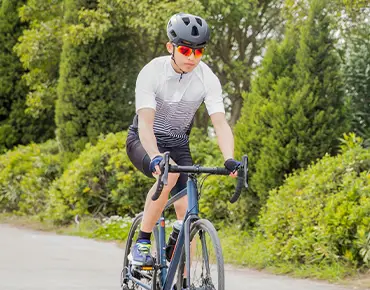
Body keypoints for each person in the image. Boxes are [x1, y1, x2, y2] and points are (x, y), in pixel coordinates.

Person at [126, 12, 241, 267]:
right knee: (169, 176)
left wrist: (229, 158)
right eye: (186, 51)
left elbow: (220, 123)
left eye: (199, 52)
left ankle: (183, 277)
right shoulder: (151, 72)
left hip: (178, 143)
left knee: (189, 216)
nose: (192, 58)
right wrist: (155, 156)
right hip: (145, 140)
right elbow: (145, 123)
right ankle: (142, 243)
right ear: (171, 47)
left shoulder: (207, 78)